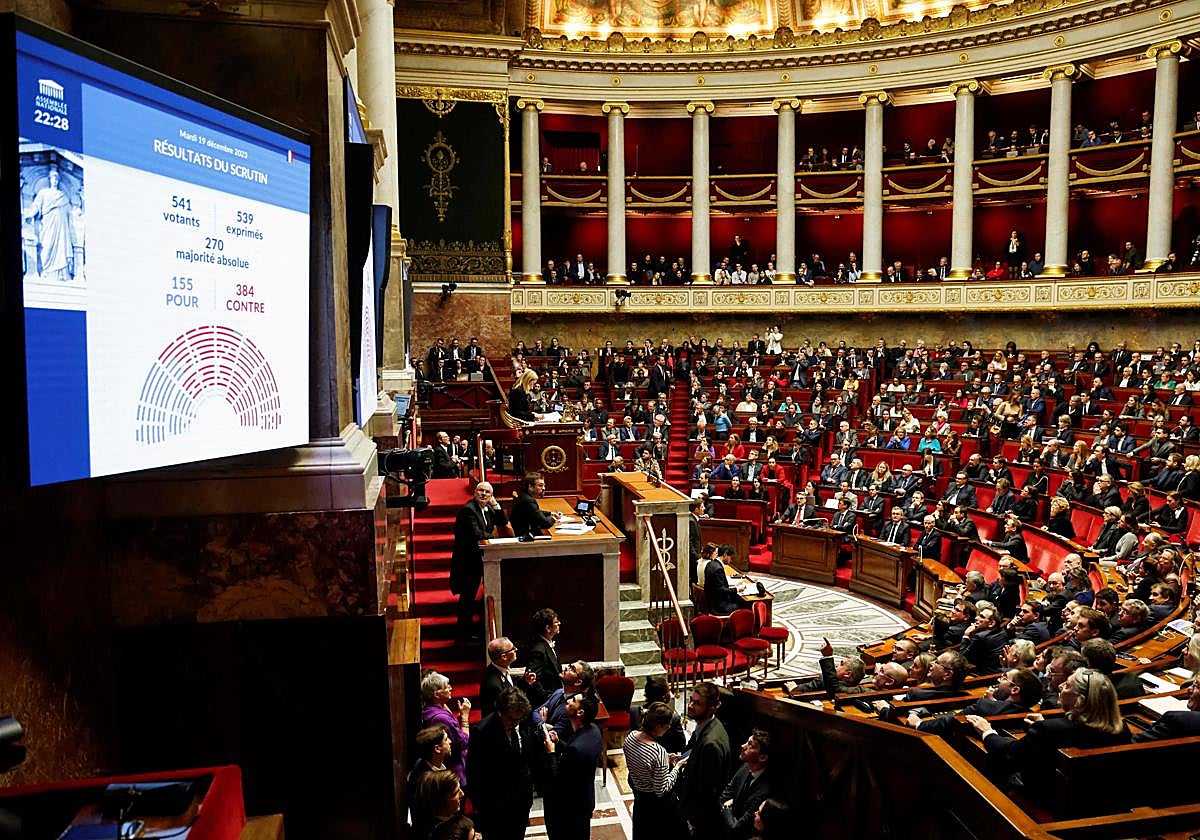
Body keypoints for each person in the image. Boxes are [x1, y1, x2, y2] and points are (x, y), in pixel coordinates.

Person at [967, 668, 1130, 797]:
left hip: (1046, 800)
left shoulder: (1049, 730)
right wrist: (1045, 725)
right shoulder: (1122, 729)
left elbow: (1008, 754)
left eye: (1067, 686)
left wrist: (987, 732)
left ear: (1079, 701)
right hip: (1095, 800)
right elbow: (1072, 735)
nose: (1060, 687)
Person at [466, 686, 545, 840]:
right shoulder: (482, 732)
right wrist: (483, 807)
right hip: (495, 808)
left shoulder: (523, 721)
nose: (516, 723)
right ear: (500, 712)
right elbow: (473, 773)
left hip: (521, 802)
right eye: (511, 719)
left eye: (519, 719)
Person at [450, 481, 508, 639]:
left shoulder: (488, 508)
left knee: (472, 595)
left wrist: (495, 504)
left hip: (479, 559)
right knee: (467, 597)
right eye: (480, 491)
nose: (483, 494)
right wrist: (495, 539)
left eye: (487, 492)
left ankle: (468, 629)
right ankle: (463, 632)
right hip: (468, 562)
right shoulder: (468, 510)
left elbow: (502, 521)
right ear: (474, 493)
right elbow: (477, 534)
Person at [542, 692, 603, 840]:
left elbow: (557, 778)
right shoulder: (593, 730)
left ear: (580, 712)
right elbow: (574, 756)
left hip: (567, 809)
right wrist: (558, 743)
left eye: (573, 700)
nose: (568, 700)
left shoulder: (576, 749)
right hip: (582, 800)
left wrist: (551, 752)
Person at [623, 701, 687, 839]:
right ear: (658, 726)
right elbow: (662, 789)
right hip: (656, 805)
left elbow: (642, 762)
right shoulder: (658, 752)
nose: (669, 727)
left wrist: (664, 761)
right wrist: (677, 766)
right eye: (667, 724)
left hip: (639, 797)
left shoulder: (630, 737)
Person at [677, 683, 731, 840]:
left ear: (713, 707)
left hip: (702, 823)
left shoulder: (710, 744)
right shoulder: (707, 725)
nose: (690, 706)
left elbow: (708, 792)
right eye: (691, 700)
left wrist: (693, 822)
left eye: (698, 703)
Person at [719, 729, 774, 840]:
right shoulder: (746, 767)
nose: (743, 746)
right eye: (747, 742)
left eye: (750, 745)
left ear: (762, 757)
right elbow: (724, 797)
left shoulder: (765, 790)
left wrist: (726, 808)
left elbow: (737, 828)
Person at [24, 166, 75, 282]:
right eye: (53, 178)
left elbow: (69, 212)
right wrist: (31, 214)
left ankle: (62, 274)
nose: (55, 181)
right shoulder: (44, 193)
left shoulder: (62, 196)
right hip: (48, 223)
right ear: (50, 180)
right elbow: (36, 205)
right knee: (47, 246)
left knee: (62, 245)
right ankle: (46, 271)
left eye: (57, 179)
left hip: (61, 225)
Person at [421, 671, 471, 786]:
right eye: (446, 687)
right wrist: (464, 718)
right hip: (454, 771)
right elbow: (463, 742)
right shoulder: (441, 718)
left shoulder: (431, 709)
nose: (450, 688)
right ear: (436, 694)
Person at [412, 768, 466, 840]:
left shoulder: (450, 817)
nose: (462, 794)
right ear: (440, 801)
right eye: (456, 793)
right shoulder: (439, 834)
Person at [525, 608, 564, 695]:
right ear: (548, 628)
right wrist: (547, 698)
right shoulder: (538, 650)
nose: (559, 623)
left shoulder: (547, 644)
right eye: (556, 622)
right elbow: (533, 680)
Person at [511, 472, 560, 538]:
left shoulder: (523, 496)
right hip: (527, 539)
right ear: (530, 486)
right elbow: (545, 524)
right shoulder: (528, 501)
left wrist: (550, 513)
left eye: (544, 485)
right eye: (540, 485)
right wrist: (554, 518)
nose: (544, 488)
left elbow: (536, 512)